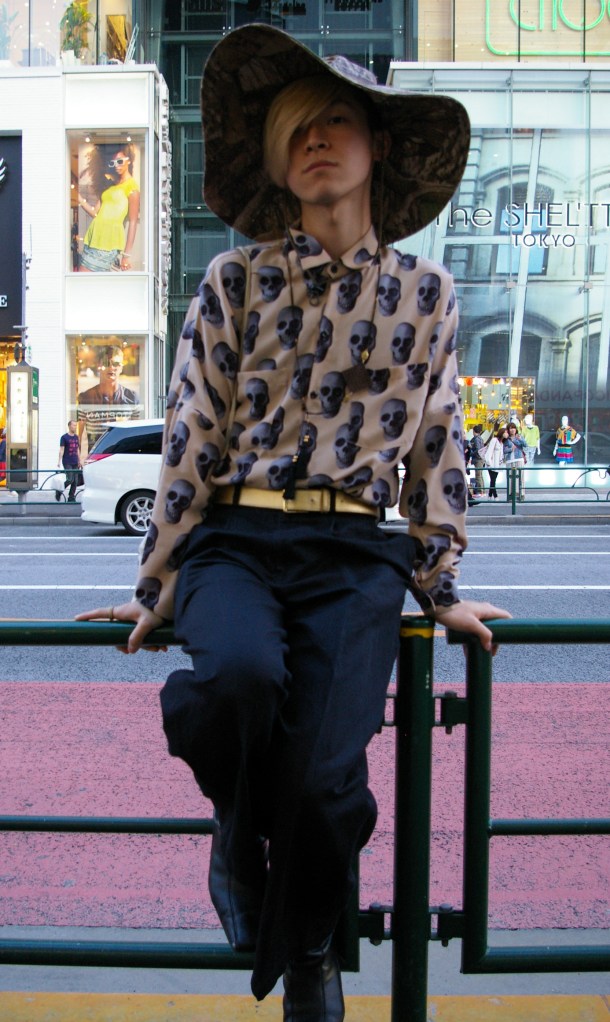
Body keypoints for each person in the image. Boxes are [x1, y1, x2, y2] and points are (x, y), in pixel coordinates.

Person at [76, 25, 510, 1021]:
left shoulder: (427, 294)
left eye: (338, 120)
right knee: (234, 680)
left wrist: (438, 585)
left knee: (325, 774)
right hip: (235, 540)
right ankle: (240, 832)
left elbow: (436, 441)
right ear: (276, 159)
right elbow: (190, 432)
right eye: (296, 128)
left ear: (376, 146)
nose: (317, 138)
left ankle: (309, 944)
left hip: (354, 553)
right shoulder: (232, 281)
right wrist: (160, 586)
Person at [77, 143, 140, 273]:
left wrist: (126, 256)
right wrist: (79, 199)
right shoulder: (111, 185)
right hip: (94, 237)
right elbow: (95, 213)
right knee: (85, 279)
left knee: (84, 279)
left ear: (128, 161)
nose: (117, 165)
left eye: (120, 161)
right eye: (113, 163)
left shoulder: (132, 187)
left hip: (109, 241)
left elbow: (133, 222)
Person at [77, 343, 140, 452]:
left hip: (122, 457)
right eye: (107, 363)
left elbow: (136, 435)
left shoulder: (132, 398)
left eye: (116, 364)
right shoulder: (86, 398)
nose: (111, 367)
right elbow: (78, 436)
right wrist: (77, 457)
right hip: (96, 458)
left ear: (121, 367)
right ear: (99, 366)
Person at [57, 419, 81, 502]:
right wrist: (59, 461)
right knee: (70, 479)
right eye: (73, 425)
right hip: (67, 461)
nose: (75, 427)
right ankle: (59, 490)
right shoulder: (64, 437)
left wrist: (79, 460)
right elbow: (61, 450)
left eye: (76, 425)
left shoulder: (76, 437)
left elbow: (77, 449)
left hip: (75, 461)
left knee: (75, 481)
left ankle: (71, 497)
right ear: (69, 426)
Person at [503, 421, 527, 500]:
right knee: (510, 479)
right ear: (508, 430)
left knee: (520, 477)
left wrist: (519, 439)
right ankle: (511, 495)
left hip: (519, 459)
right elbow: (503, 450)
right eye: (510, 428)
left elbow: (525, 445)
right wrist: (510, 449)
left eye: (514, 428)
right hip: (509, 460)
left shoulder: (519, 436)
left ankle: (521, 494)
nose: (512, 430)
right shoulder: (506, 439)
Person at [484, 425, 507, 500]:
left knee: (493, 480)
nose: (506, 434)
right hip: (491, 464)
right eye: (505, 432)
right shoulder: (494, 440)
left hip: (497, 465)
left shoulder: (502, 443)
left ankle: (489, 496)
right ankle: (495, 496)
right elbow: (489, 452)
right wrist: (489, 463)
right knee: (493, 480)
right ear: (501, 433)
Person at [469, 423, 486, 495]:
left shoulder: (476, 439)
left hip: (478, 459)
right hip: (481, 458)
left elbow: (478, 449)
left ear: (473, 431)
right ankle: (482, 491)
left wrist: (471, 453)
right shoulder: (480, 438)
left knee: (478, 475)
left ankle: (480, 491)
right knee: (480, 475)